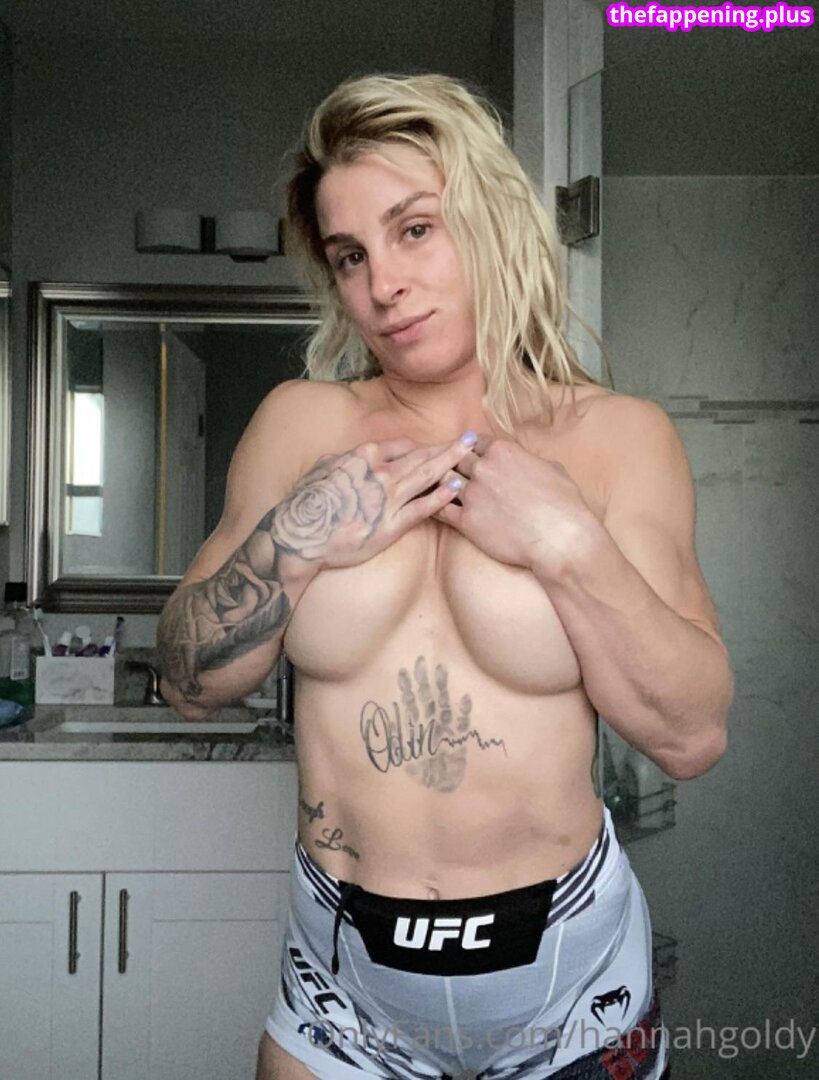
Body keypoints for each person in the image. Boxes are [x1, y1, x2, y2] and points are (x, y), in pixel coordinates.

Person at [157, 73, 734, 1080]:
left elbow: (690, 736)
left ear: (490, 222)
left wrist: (569, 545)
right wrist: (295, 538)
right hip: (342, 985)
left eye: (414, 230)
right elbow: (185, 681)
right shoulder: (300, 424)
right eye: (351, 255)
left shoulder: (616, 439)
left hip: (572, 979)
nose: (382, 284)